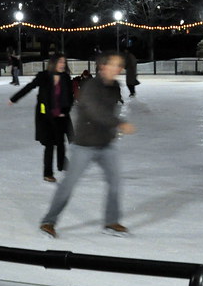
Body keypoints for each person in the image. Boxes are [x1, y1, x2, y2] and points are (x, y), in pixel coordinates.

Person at [39, 52, 135, 239]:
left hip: (106, 144)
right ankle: (48, 222)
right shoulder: (91, 86)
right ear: (103, 67)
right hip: (85, 144)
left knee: (115, 182)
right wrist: (119, 123)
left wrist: (113, 130)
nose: (118, 69)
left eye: (120, 65)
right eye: (114, 64)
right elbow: (95, 111)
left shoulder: (115, 86)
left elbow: (111, 110)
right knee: (69, 184)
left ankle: (111, 222)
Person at [10, 53, 74, 183]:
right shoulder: (44, 76)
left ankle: (62, 163)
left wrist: (65, 111)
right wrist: (14, 98)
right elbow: (29, 87)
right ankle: (48, 173)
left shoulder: (66, 78)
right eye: (60, 62)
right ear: (53, 63)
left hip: (61, 116)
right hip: (46, 117)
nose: (62, 65)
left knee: (60, 143)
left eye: (64, 62)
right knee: (49, 145)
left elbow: (70, 97)